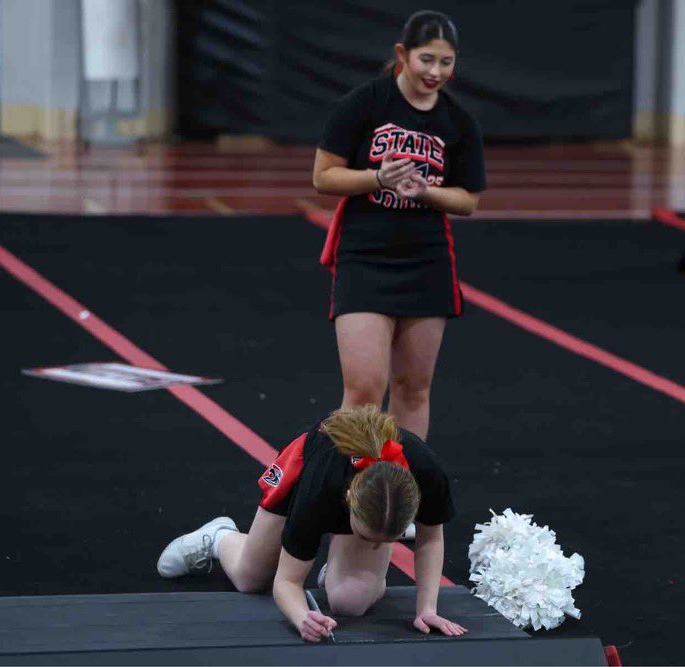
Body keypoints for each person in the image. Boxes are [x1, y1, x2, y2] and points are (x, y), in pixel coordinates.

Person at [312, 10, 486, 442]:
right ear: (402, 54)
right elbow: (323, 177)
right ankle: (347, 492)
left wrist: (427, 193)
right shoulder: (363, 104)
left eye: (446, 62)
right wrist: (377, 178)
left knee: (413, 389)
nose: (436, 72)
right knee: (364, 388)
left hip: (426, 260)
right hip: (364, 255)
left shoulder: (459, 122)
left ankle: (402, 498)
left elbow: (467, 199)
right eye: (426, 59)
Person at [156, 405, 466, 643]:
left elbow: (430, 538)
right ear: (347, 504)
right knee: (251, 579)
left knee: (350, 602)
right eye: (368, 536)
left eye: (390, 539)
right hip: (308, 462)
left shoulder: (427, 473)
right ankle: (219, 537)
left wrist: (427, 609)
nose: (377, 545)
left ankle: (342, 569)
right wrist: (301, 617)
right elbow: (287, 582)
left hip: (365, 494)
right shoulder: (318, 491)